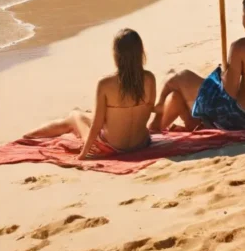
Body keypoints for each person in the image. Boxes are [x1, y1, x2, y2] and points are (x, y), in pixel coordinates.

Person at [149, 0, 245, 132]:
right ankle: (168, 123)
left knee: (179, 76)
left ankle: (158, 108)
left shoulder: (240, 46)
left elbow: (230, 92)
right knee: (176, 96)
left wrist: (225, 73)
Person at [25, 29, 156, 158]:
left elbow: (97, 125)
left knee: (75, 116)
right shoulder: (150, 78)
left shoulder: (105, 84)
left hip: (113, 146)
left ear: (116, 54)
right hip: (141, 143)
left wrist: (83, 154)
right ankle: (33, 134)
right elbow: (149, 109)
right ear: (140, 52)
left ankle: (29, 136)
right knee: (88, 115)